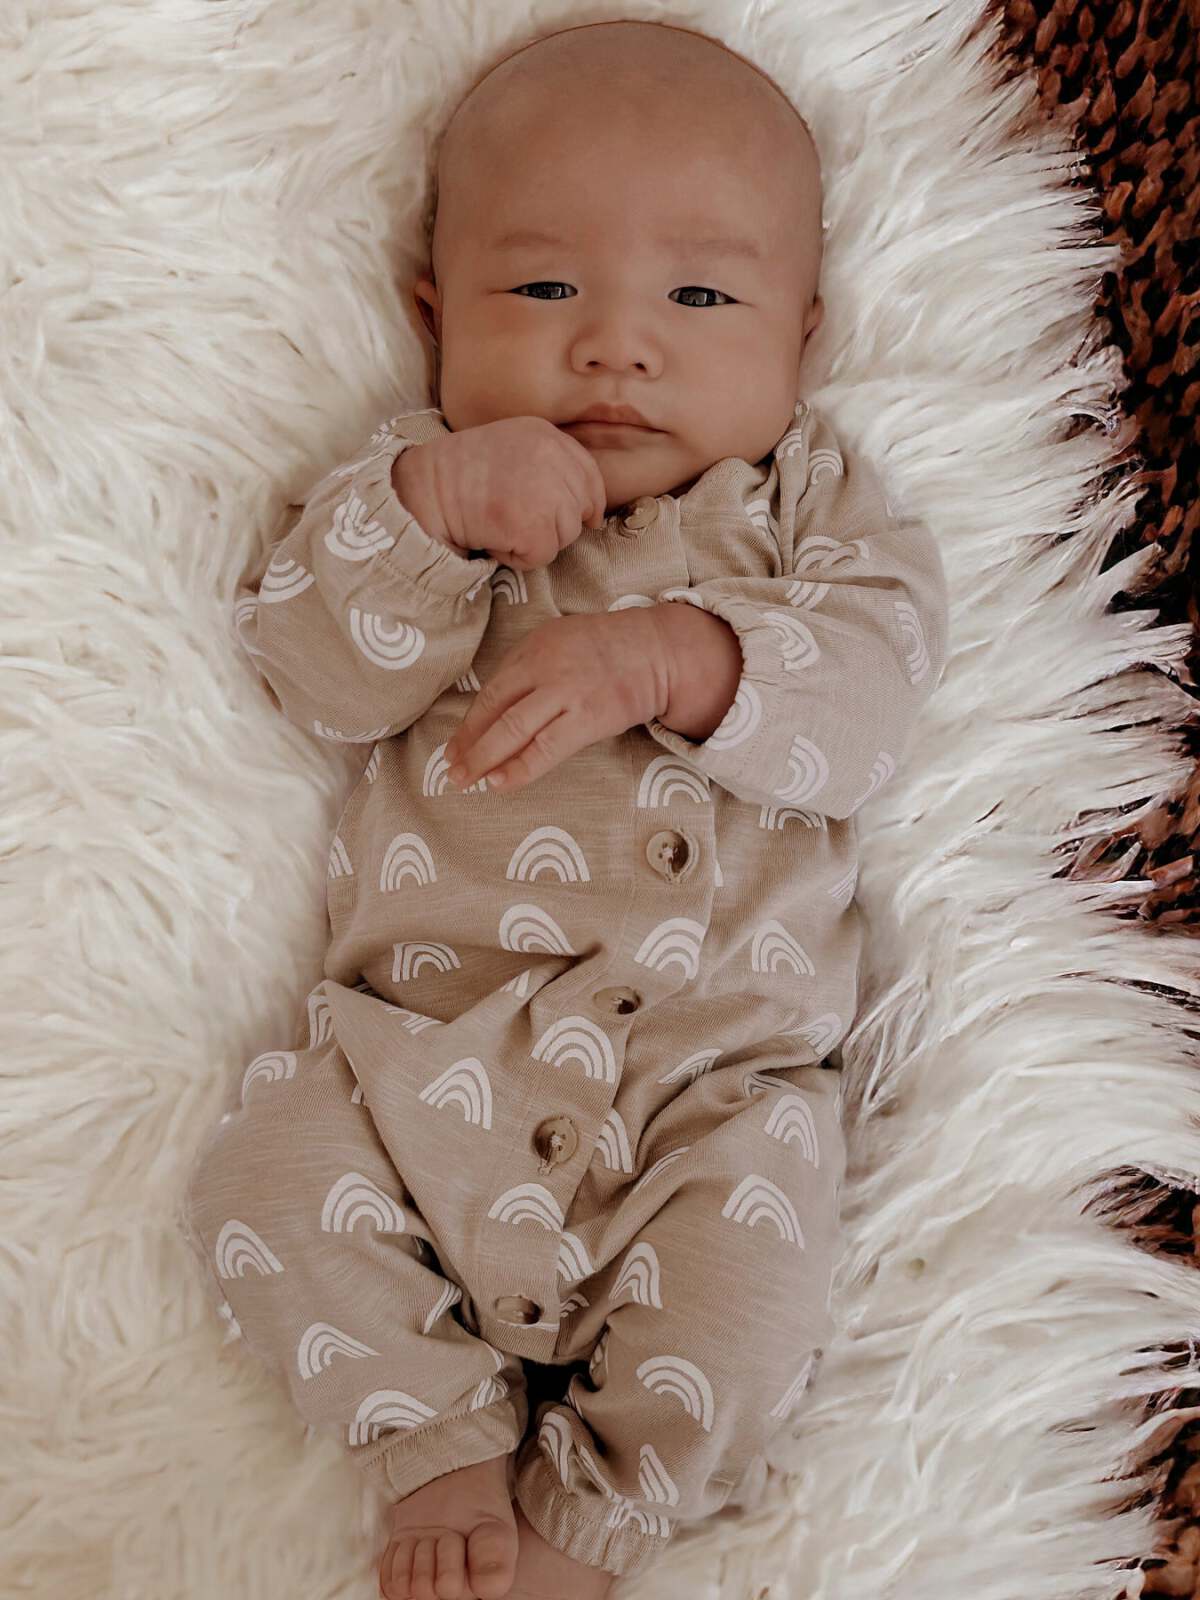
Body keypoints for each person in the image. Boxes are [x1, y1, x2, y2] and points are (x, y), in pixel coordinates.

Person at [178, 19, 949, 1600]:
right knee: (258, 1166)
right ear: (432, 314)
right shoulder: (414, 482)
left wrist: (681, 657)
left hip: (705, 1089)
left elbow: (870, 713)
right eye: (543, 293)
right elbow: (311, 675)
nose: (615, 347)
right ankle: (432, 1441)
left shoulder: (802, 508)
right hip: (420, 1067)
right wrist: (431, 521)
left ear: (801, 338)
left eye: (701, 298)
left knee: (758, 1272)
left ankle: (596, 1520)